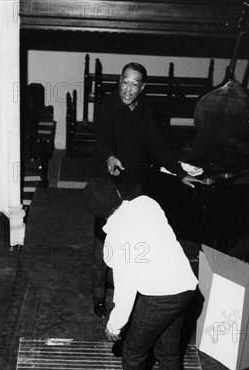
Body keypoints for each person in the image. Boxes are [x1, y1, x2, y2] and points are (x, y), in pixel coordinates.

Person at [83, 178, 198, 370]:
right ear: (116, 191)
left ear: (95, 213)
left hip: (159, 296)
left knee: (133, 351)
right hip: (186, 286)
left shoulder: (115, 240)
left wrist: (115, 325)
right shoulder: (147, 203)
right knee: (168, 352)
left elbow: (126, 288)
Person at [91, 62, 202, 318]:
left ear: (142, 87)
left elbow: (159, 146)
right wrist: (109, 157)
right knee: (102, 243)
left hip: (133, 186)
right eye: (125, 82)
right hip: (107, 187)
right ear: (119, 81)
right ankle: (98, 295)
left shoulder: (146, 112)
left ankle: (127, 291)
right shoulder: (105, 107)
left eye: (134, 84)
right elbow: (103, 136)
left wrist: (180, 173)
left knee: (132, 241)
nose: (128, 89)